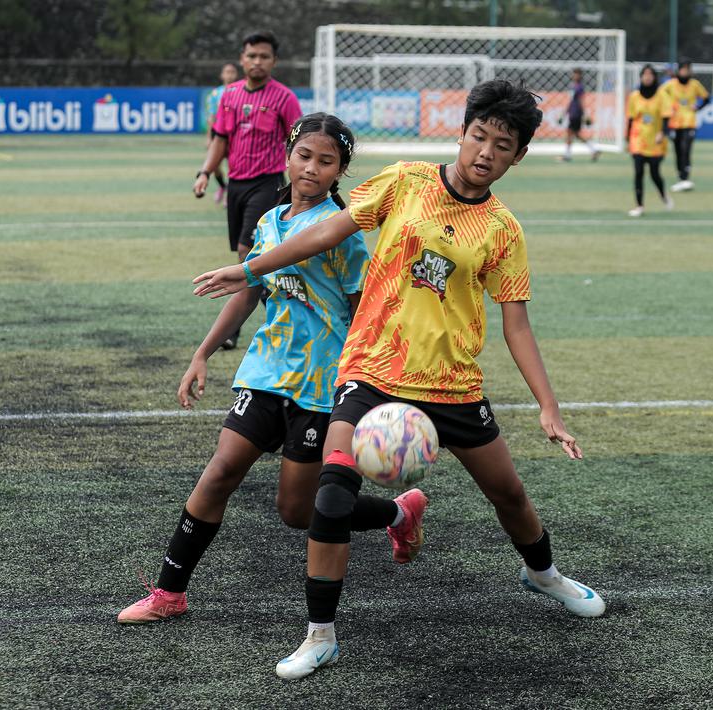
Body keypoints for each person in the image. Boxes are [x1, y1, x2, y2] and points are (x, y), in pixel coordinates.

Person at [193, 79, 606, 680]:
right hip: (372, 370)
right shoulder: (405, 181)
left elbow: (516, 324)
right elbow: (330, 230)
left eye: (502, 144)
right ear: (461, 134)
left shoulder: (503, 231)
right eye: (478, 136)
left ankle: (542, 573)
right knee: (330, 496)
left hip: (452, 385)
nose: (485, 152)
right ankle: (320, 635)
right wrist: (250, 268)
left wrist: (548, 406)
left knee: (509, 495)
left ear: (518, 156)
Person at [118, 114, 374, 625]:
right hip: (264, 371)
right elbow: (251, 290)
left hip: (321, 384)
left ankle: (395, 512)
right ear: (287, 156)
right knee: (219, 473)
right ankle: (170, 592)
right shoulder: (269, 222)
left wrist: (363, 380)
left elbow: (362, 308)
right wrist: (203, 352)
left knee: (296, 512)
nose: (312, 168)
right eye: (305, 156)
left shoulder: (341, 233)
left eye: (327, 162)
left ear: (340, 172)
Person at [195, 30, 303, 350]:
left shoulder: (285, 98)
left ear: (274, 61)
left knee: (248, 252)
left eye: (264, 57)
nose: (257, 62)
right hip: (237, 185)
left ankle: (237, 329)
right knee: (250, 255)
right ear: (242, 59)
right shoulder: (229, 96)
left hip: (268, 182)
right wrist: (205, 172)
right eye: (252, 56)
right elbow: (220, 140)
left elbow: (299, 142)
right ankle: (282, 312)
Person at [626, 64, 673, 217]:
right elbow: (631, 119)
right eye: (644, 74)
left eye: (650, 74)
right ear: (640, 76)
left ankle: (664, 195)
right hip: (637, 139)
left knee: (654, 174)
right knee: (638, 172)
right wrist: (628, 138)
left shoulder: (661, 95)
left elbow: (666, 116)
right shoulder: (634, 96)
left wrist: (662, 133)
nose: (647, 77)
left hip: (655, 141)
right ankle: (639, 206)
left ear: (654, 77)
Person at [661, 60, 710, 192]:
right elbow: (659, 95)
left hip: (689, 122)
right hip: (674, 123)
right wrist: (668, 107)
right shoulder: (670, 85)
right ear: (679, 70)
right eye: (683, 69)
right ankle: (681, 177)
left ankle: (685, 178)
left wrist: (698, 107)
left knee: (686, 149)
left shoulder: (695, 85)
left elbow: (706, 98)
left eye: (688, 69)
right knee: (677, 150)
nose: (685, 72)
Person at [202, 62, 240, 207]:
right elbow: (211, 117)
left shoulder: (240, 91)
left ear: (236, 74)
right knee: (215, 166)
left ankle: (229, 194)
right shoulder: (215, 94)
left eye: (232, 72)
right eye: (227, 72)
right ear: (222, 75)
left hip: (234, 136)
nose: (229, 75)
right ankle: (223, 187)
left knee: (233, 165)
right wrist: (208, 138)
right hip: (218, 136)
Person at [561, 68, 600, 162]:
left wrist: (585, 114)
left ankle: (567, 155)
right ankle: (593, 150)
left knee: (570, 133)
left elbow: (581, 100)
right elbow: (570, 101)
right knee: (576, 134)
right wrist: (564, 113)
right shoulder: (573, 86)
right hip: (572, 113)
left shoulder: (579, 87)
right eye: (574, 74)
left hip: (576, 114)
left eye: (577, 74)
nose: (575, 76)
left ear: (580, 76)